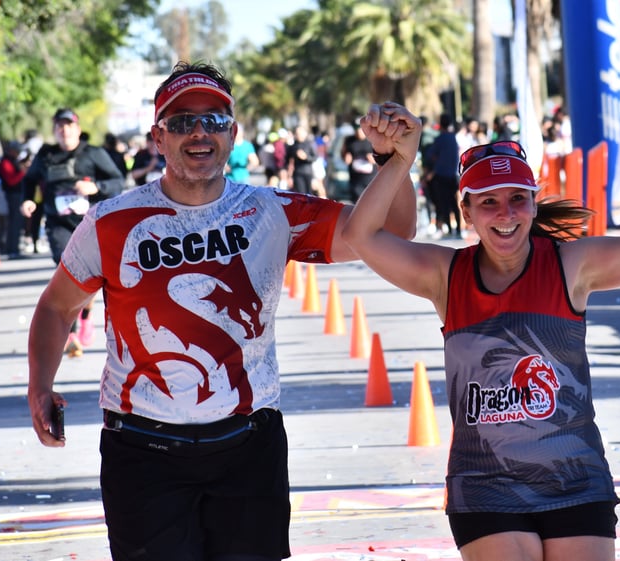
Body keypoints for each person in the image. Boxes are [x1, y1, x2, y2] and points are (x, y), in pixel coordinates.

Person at [25, 61, 418, 561]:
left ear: (232, 135)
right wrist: (40, 385)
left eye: (213, 120)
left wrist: (394, 161)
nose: (198, 132)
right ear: (158, 137)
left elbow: (393, 233)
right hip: (142, 450)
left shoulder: (273, 212)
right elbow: (58, 307)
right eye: (181, 120)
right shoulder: (110, 223)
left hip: (248, 448)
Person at [342, 132, 620, 561]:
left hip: (575, 479)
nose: (505, 214)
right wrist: (397, 160)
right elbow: (362, 235)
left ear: (533, 201)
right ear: (466, 212)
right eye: (488, 202)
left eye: (517, 198)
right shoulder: (445, 275)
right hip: (485, 484)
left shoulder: (570, 265)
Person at [20, 108, 126, 356]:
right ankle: (72, 333)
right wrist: (28, 200)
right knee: (67, 272)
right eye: (59, 126)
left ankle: (86, 316)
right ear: (55, 130)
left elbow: (117, 181)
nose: (64, 130)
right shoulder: (46, 155)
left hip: (89, 225)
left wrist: (95, 187)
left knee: (89, 278)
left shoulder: (94, 154)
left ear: (78, 129)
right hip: (58, 225)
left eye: (68, 126)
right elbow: (29, 180)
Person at [424, 113, 461, 238]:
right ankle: (459, 230)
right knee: (454, 203)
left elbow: (430, 155)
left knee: (444, 203)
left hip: (441, 175)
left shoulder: (439, 139)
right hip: (453, 175)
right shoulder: (453, 138)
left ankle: (450, 230)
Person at [0, 140, 27, 259]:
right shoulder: (5, 162)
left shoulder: (14, 161)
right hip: (12, 195)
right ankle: (11, 249)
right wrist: (23, 173)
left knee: (17, 223)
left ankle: (15, 248)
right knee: (14, 222)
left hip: (18, 194)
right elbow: (11, 180)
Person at [341, 124, 377, 202]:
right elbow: (343, 153)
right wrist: (346, 157)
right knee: (357, 202)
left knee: (370, 201)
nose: (359, 132)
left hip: (370, 178)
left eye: (361, 129)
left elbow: (382, 156)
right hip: (355, 178)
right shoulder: (349, 140)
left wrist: (374, 158)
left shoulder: (372, 139)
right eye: (356, 130)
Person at [286, 125, 318, 195]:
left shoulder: (310, 144)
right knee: (300, 195)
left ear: (305, 134)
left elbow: (315, 157)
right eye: (297, 134)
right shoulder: (293, 146)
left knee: (310, 195)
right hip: (297, 173)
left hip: (308, 172)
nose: (299, 135)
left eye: (300, 133)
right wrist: (289, 176)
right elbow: (288, 161)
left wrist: (306, 157)